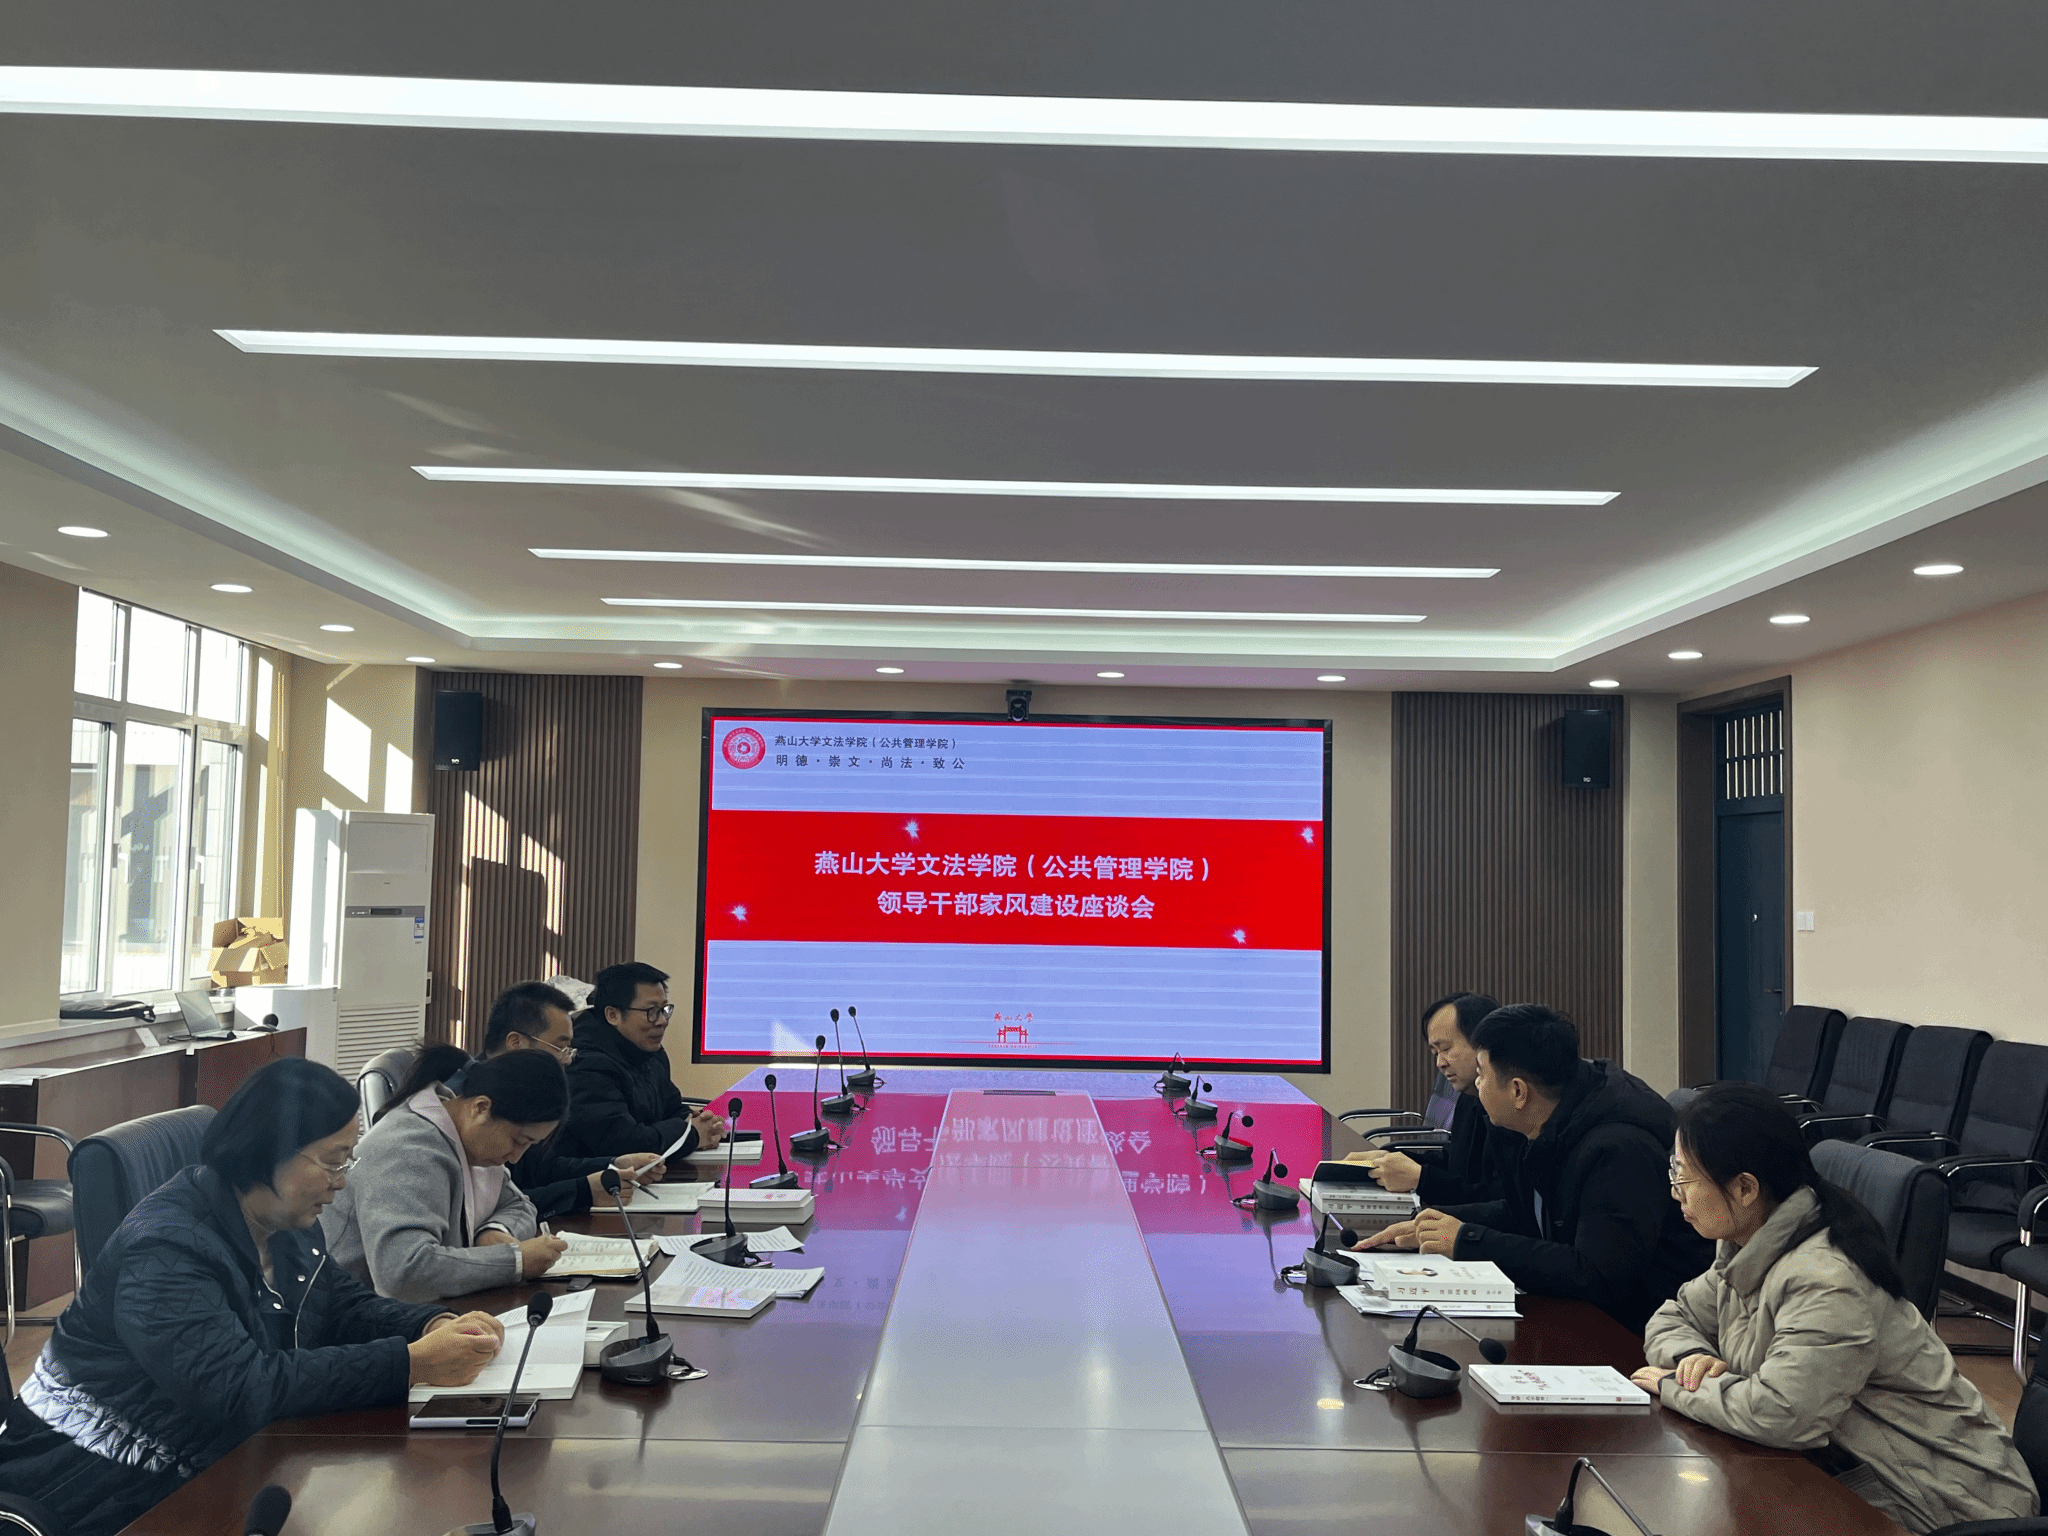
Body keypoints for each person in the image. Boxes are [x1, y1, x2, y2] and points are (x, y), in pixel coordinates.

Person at [0, 1059, 504, 1536]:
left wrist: (428, 1325)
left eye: (347, 1160)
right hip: (93, 1488)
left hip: (214, 1464)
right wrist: (410, 1363)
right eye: (333, 1162)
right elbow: (239, 1388)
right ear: (267, 1152)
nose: (342, 1181)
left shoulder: (281, 1222)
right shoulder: (165, 1250)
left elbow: (339, 1304)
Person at [1631, 1084, 2036, 1533]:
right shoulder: (1748, 1244)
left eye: (1685, 1179)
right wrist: (1693, 1360)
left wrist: (1675, 1385)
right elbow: (1674, 1316)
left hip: (1942, 1503)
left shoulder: (1825, 1278)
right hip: (1849, 1472)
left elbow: (1781, 1416)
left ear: (1745, 1188)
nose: (1676, 1194)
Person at [1357, 1003, 1711, 1330]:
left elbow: (1597, 1276)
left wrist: (1467, 1240)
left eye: (1482, 1075)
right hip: (1578, 1314)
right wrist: (1431, 1224)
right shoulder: (1537, 1121)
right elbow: (1525, 1215)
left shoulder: (1618, 1148)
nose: (1477, 1085)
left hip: (1632, 1334)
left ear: (1518, 1092)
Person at [388, 981, 668, 1222]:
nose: (567, 1059)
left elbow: (539, 1169)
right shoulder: (469, 1106)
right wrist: (583, 1191)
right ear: (516, 1043)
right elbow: (486, 1209)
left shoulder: (517, 1094)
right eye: (560, 1047)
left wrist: (613, 1164)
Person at [324, 1048, 570, 1303]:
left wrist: (493, 1230)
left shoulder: (467, 1141)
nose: (516, 1156)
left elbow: (520, 1205)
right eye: (518, 1140)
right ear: (481, 1108)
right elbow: (402, 1274)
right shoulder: (408, 1151)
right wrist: (515, 1261)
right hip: (346, 1311)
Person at [558, 961, 728, 1161]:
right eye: (651, 1012)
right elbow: (623, 1143)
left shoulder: (650, 1053)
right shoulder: (587, 1065)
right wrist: (690, 1134)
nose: (662, 1021)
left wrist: (699, 1121)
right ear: (613, 1015)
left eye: (664, 1010)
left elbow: (671, 1108)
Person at [1345, 991, 1501, 1204]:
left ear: (1482, 1043)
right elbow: (1454, 1165)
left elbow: (1498, 1203)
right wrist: (1387, 1159)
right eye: (1435, 1053)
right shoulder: (1468, 1097)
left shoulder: (1509, 1109)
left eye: (1446, 1049)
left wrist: (1421, 1179)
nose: (1440, 1063)